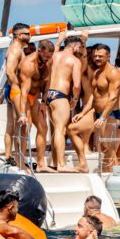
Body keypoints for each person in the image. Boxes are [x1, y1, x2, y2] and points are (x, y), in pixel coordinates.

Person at [70, 43, 120, 172]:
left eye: (100, 56)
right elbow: (94, 96)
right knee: (72, 129)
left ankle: (112, 175)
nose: (97, 58)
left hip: (110, 113)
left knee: (107, 147)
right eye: (95, 56)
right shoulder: (97, 72)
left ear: (108, 56)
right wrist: (83, 113)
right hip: (96, 112)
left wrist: (103, 117)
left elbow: (113, 97)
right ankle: (83, 164)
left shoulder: (113, 73)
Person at [46, 34, 83, 171]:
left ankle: (55, 162)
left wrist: (59, 40)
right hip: (60, 96)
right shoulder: (74, 60)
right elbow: (77, 85)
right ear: (73, 45)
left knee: (56, 130)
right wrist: (74, 100)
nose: (80, 49)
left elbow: (54, 49)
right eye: (79, 46)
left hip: (48, 95)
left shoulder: (54, 55)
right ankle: (61, 165)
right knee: (61, 130)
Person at [18, 40, 54, 171]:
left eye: (49, 57)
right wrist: (22, 113)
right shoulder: (28, 64)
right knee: (26, 125)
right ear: (39, 51)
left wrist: (44, 102)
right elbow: (24, 90)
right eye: (45, 56)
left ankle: (40, 164)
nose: (47, 59)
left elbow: (47, 82)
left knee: (43, 127)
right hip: (21, 94)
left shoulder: (48, 62)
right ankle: (21, 162)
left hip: (35, 96)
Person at [4, 23, 31, 166]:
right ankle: (19, 159)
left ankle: (9, 156)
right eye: (26, 33)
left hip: (10, 90)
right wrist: (18, 87)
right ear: (18, 35)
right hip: (15, 90)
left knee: (11, 124)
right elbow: (9, 71)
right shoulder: (15, 50)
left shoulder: (16, 49)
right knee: (21, 125)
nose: (29, 35)